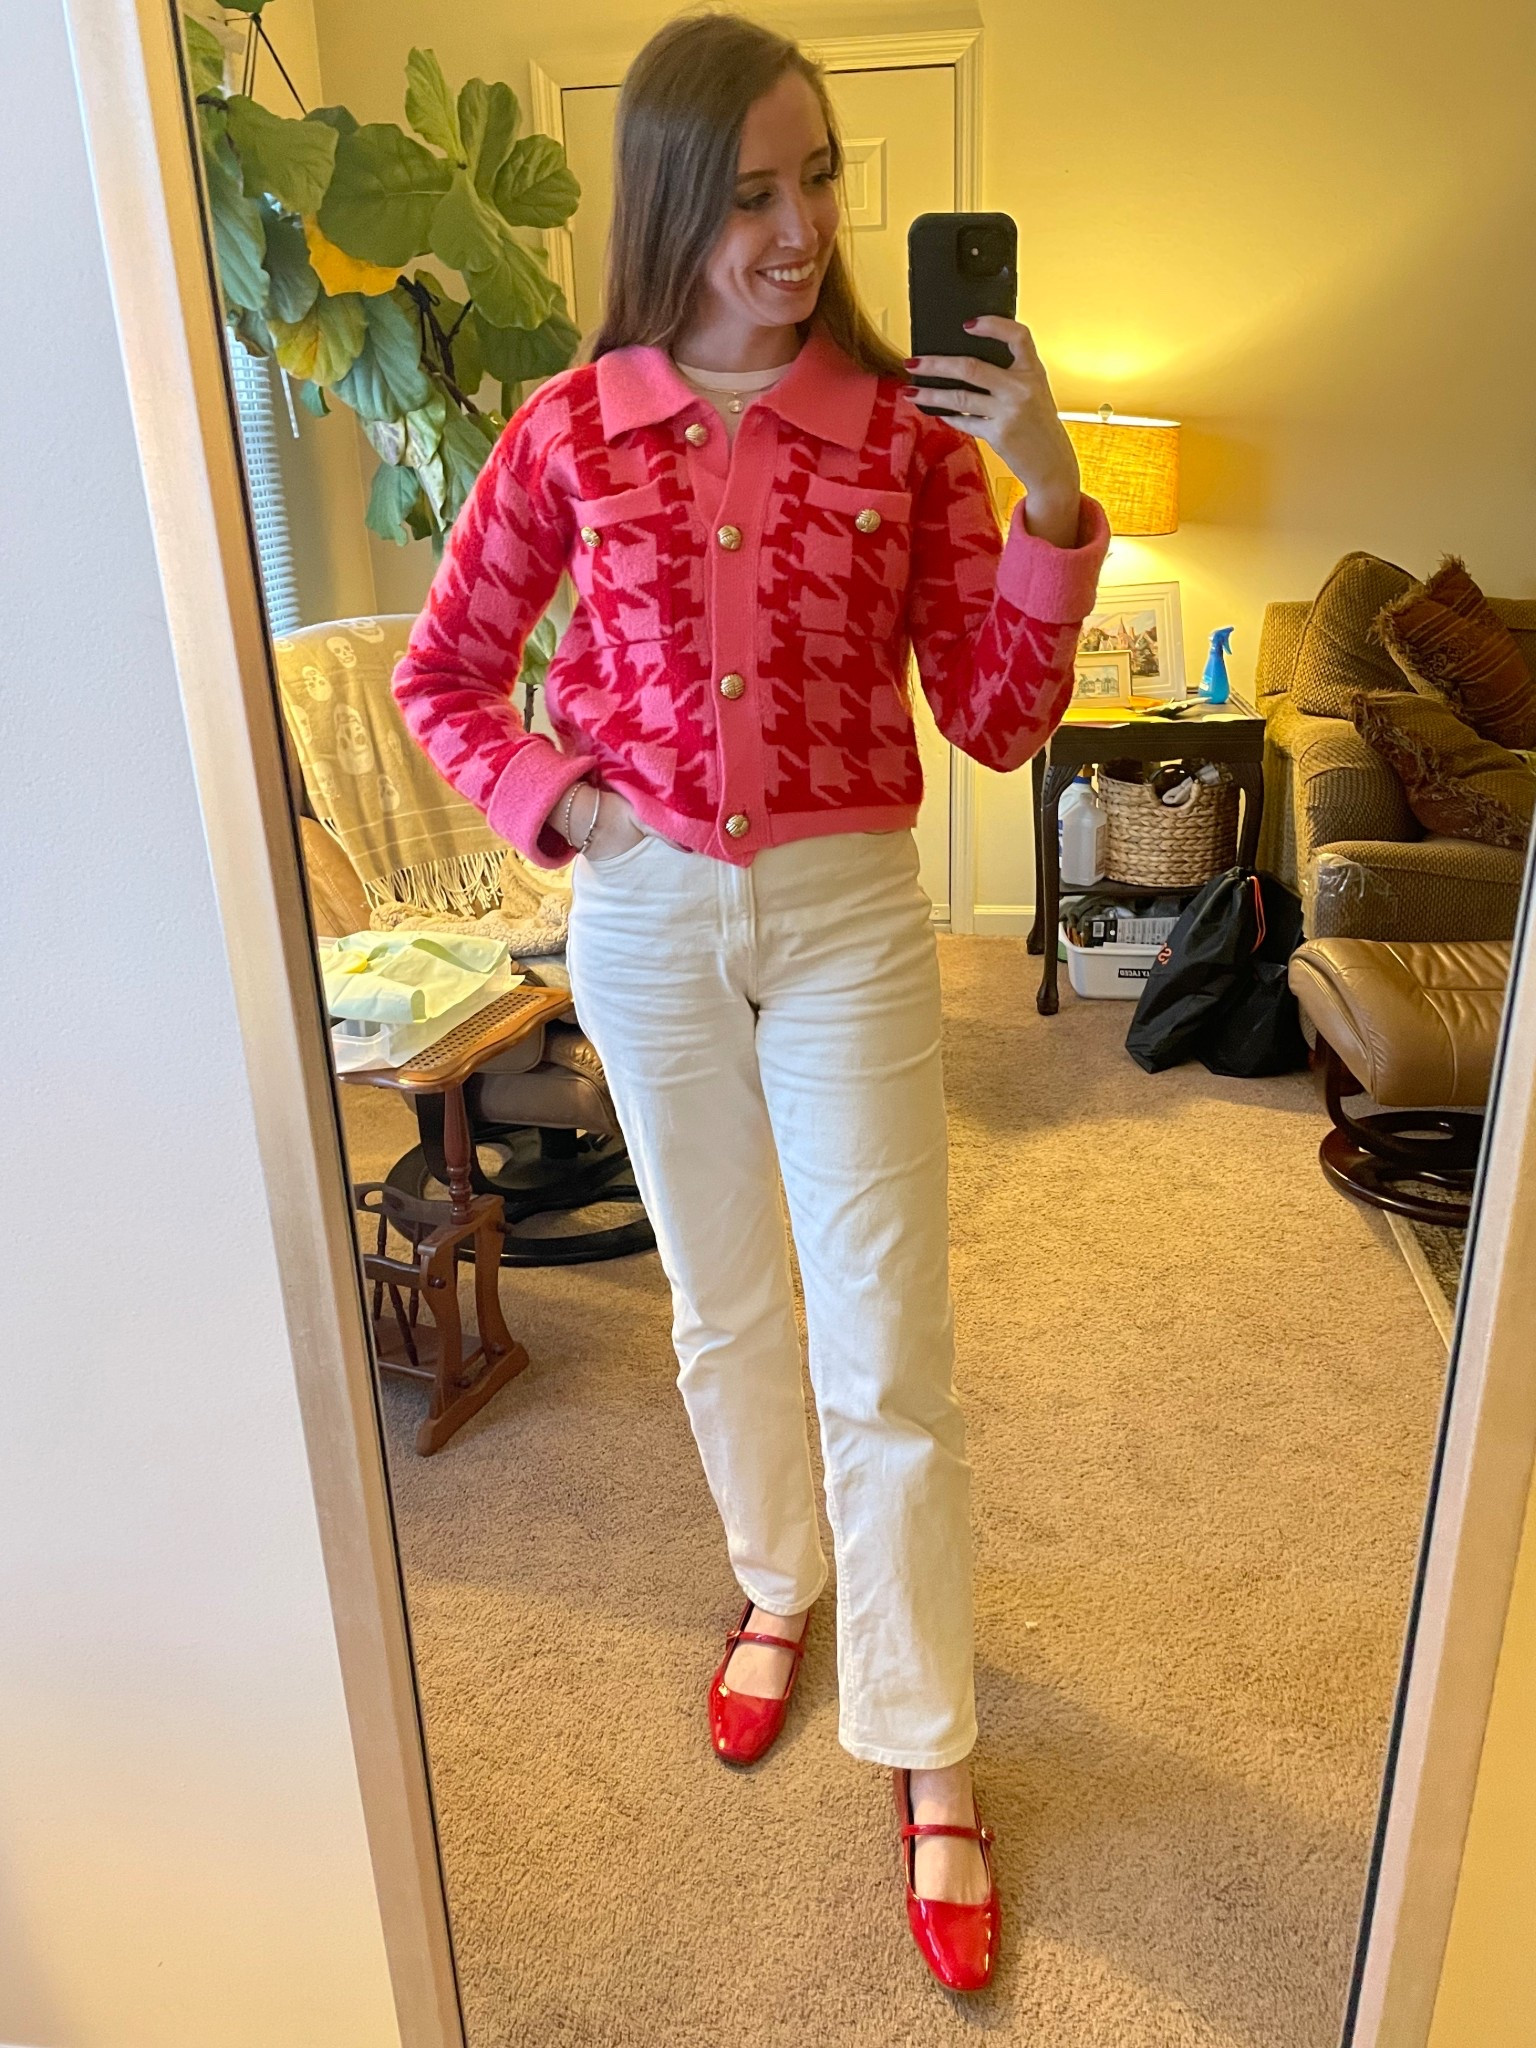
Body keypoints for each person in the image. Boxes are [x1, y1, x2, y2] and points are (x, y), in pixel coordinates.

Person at [393, 11, 1108, 1993]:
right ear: (673, 207)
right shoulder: (571, 429)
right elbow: (444, 673)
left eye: (824, 182)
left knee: (891, 1343)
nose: (802, 230)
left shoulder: (907, 434)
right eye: (755, 193)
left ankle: (930, 1737)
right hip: (642, 922)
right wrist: (565, 804)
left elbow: (993, 719)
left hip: (850, 916)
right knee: (721, 1305)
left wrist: (1048, 493)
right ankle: (779, 1582)